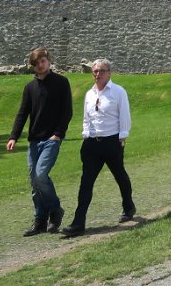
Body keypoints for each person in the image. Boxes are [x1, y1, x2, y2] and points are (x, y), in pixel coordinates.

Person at [60, 58, 136, 238]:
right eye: (95, 71)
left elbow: (124, 115)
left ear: (109, 73)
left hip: (112, 141)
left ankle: (128, 206)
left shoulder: (118, 92)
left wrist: (122, 136)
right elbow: (87, 117)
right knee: (86, 182)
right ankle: (78, 222)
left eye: (101, 71)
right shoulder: (90, 94)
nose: (97, 74)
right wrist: (86, 134)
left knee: (120, 175)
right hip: (92, 144)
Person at [7, 47, 73, 237]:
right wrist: (13, 137)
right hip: (34, 140)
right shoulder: (30, 87)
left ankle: (56, 210)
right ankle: (40, 220)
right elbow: (22, 114)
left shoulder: (61, 82)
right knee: (34, 182)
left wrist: (58, 134)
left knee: (41, 175)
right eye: (36, 63)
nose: (40, 66)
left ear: (48, 61)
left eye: (42, 61)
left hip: (52, 139)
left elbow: (67, 111)